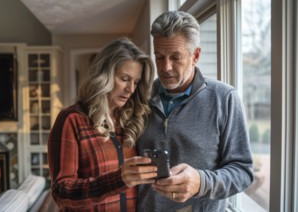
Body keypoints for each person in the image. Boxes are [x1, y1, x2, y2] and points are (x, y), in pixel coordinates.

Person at [136, 11, 254, 212]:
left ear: (196, 56)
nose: (166, 67)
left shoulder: (224, 98)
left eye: (176, 57)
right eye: (159, 57)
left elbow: (243, 172)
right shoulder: (140, 96)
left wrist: (201, 182)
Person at [48, 37, 158, 211]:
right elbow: (61, 193)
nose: (130, 89)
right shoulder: (71, 120)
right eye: (124, 79)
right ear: (104, 75)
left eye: (135, 82)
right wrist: (118, 179)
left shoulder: (132, 120)